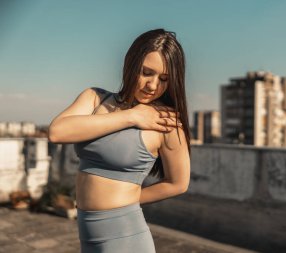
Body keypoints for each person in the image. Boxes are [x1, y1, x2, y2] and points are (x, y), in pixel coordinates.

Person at [48, 28, 191, 253]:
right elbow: (57, 132)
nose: (153, 86)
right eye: (146, 72)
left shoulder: (165, 122)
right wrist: (131, 116)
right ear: (131, 64)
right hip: (87, 234)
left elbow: (178, 183)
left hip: (125, 237)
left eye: (164, 79)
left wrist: (131, 198)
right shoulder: (95, 98)